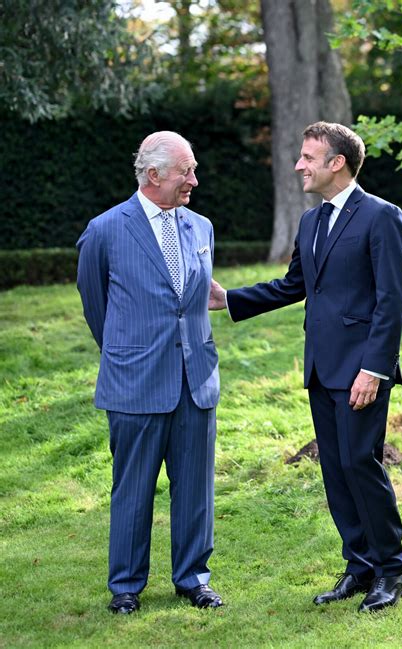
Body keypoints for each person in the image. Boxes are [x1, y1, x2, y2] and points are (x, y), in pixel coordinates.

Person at [209, 121, 402, 613]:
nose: (299, 164)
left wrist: (374, 369)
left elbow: (392, 300)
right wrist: (230, 299)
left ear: (335, 162)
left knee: (362, 465)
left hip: (362, 370)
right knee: (338, 471)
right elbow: (294, 285)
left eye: (307, 157)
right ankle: (359, 567)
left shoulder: (381, 216)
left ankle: (391, 571)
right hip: (320, 367)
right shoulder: (310, 222)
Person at [77, 131, 222, 614]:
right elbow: (96, 307)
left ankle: (193, 579)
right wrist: (129, 353)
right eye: (187, 171)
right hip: (134, 383)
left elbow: (195, 301)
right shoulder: (105, 229)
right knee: (133, 490)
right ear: (153, 174)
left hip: (195, 380)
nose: (194, 181)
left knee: (196, 489)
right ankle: (125, 587)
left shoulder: (201, 227)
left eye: (194, 170)